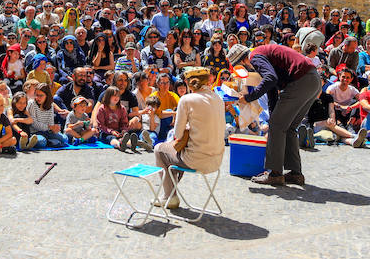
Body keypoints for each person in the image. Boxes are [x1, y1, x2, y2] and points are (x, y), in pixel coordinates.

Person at [227, 43, 323, 185]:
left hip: (301, 81)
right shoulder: (263, 55)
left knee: (277, 127)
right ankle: (295, 173)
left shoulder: (255, 56)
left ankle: (275, 174)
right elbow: (272, 88)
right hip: (313, 80)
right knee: (288, 127)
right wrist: (273, 115)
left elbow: (270, 79)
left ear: (242, 61)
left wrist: (248, 98)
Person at [153, 67, 225, 209]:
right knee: (173, 153)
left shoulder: (187, 99)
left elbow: (178, 135)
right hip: (217, 160)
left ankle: (169, 196)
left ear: (189, 83)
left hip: (196, 160)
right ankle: (171, 192)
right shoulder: (218, 98)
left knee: (159, 149)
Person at [95, 85, 137, 151]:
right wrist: (111, 131)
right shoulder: (102, 108)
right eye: (114, 95)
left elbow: (124, 122)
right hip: (105, 132)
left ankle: (131, 144)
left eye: (118, 96)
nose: (116, 98)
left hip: (118, 130)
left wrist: (123, 130)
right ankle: (119, 145)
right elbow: (101, 125)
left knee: (124, 136)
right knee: (111, 138)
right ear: (108, 96)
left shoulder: (122, 108)